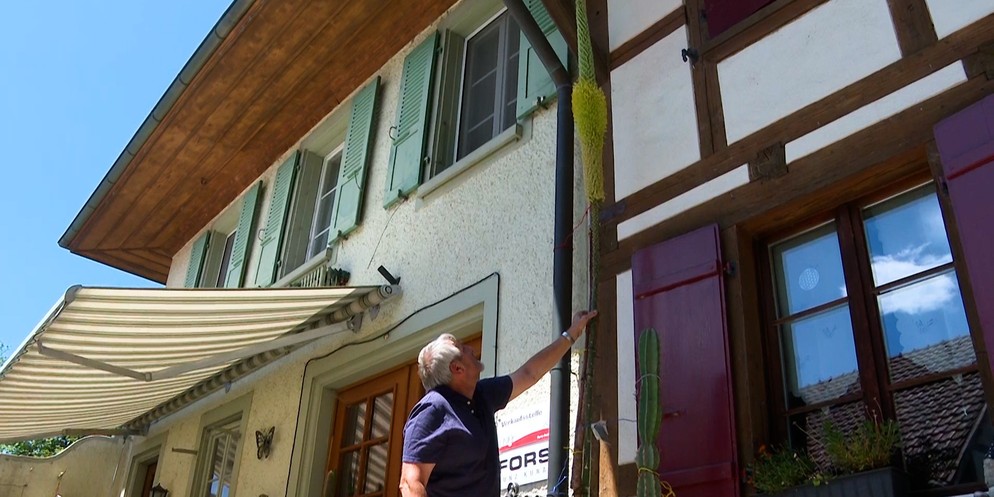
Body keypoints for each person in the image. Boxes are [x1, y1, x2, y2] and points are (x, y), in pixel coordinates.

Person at [398, 310, 597, 497]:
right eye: (463, 348)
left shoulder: (481, 395)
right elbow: (409, 483)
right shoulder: (432, 410)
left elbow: (529, 373)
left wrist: (572, 333)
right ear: (457, 368)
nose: (471, 349)